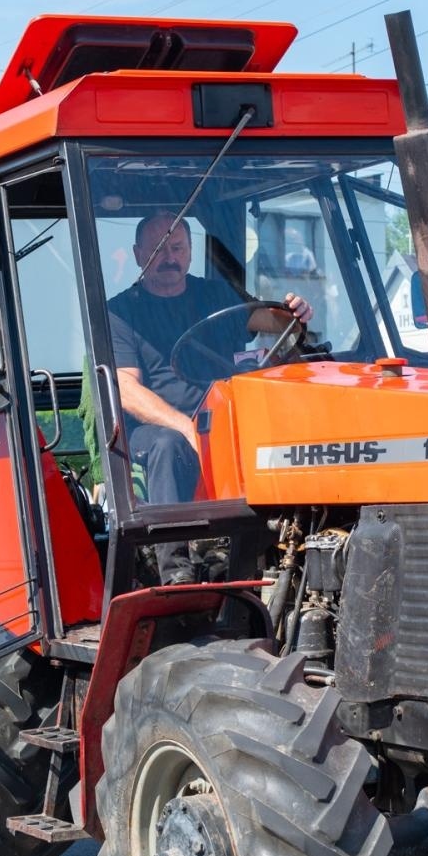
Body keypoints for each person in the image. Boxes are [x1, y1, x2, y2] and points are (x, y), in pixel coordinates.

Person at [106, 212, 313, 583]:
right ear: (138, 255)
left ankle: (281, 554)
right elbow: (127, 389)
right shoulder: (122, 311)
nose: (168, 257)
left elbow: (270, 322)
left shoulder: (214, 295)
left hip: (222, 417)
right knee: (168, 446)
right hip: (158, 429)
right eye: (156, 249)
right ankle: (176, 572)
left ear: (188, 252)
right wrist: (185, 426)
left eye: (177, 247)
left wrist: (295, 313)